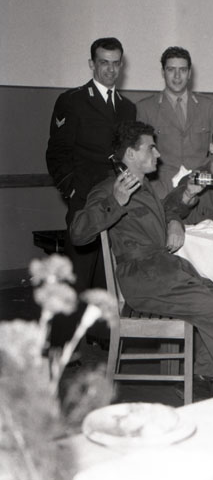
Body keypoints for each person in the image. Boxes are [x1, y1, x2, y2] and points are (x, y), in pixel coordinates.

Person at [69, 121, 213, 396]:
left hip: (167, 270)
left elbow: (166, 208)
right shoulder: (110, 188)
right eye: (151, 148)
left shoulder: (143, 186)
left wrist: (183, 203)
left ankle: (205, 373)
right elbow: (78, 233)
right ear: (131, 154)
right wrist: (114, 202)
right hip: (144, 277)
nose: (158, 154)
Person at [46, 37, 136, 346]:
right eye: (103, 63)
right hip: (84, 199)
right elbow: (56, 153)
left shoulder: (127, 107)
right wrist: (71, 191)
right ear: (92, 64)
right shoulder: (72, 101)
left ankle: (101, 335)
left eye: (115, 63)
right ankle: (61, 344)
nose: (110, 70)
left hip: (116, 199)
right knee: (78, 273)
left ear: (121, 66)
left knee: (106, 272)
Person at [136, 46, 213, 198]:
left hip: (202, 190)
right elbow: (140, 156)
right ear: (163, 72)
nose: (177, 76)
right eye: (171, 70)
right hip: (161, 191)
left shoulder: (208, 107)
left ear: (189, 73)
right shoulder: (146, 108)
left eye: (182, 70)